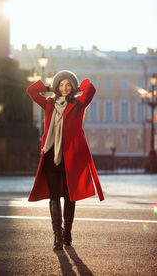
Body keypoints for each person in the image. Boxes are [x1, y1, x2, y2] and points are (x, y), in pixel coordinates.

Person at [26, 70, 104, 251]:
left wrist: (78, 88)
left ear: (73, 87)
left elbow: (90, 89)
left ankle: (67, 232)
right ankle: (57, 234)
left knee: (70, 196)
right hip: (51, 155)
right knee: (54, 196)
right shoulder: (48, 104)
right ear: (57, 87)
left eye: (68, 85)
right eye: (61, 85)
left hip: (72, 157)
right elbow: (31, 90)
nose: (64, 88)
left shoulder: (78, 104)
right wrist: (48, 87)